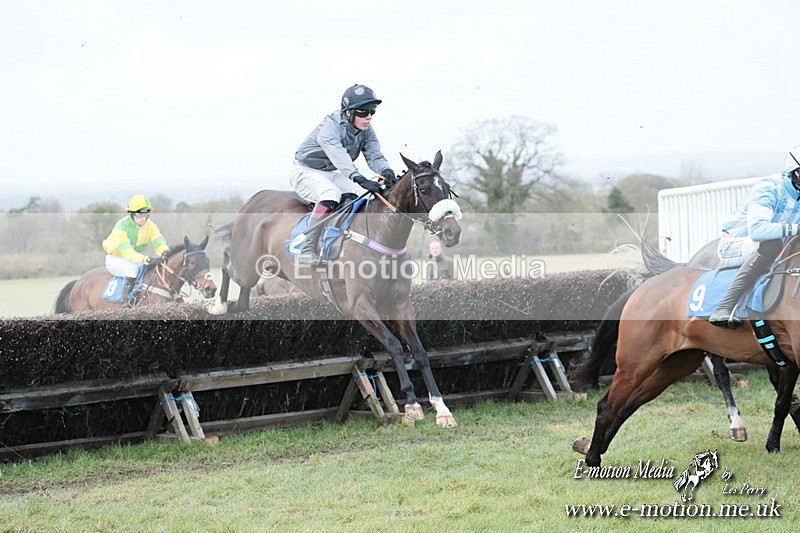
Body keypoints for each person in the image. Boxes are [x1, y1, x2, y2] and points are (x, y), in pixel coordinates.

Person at [291, 84, 397, 265]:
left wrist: (386, 171)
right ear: (349, 112)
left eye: (372, 111)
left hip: (331, 172)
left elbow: (374, 155)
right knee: (331, 194)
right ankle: (308, 249)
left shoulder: (367, 130)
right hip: (305, 170)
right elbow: (340, 157)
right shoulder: (329, 127)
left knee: (361, 195)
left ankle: (347, 243)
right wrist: (359, 178)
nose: (369, 116)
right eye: (364, 112)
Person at [708, 145, 800, 328]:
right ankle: (724, 307)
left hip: (779, 244)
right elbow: (758, 231)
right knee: (771, 243)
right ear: (795, 171)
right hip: (736, 244)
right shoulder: (769, 187)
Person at [101, 194, 171, 307]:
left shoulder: (150, 226)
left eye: (145, 214)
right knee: (132, 269)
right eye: (139, 214)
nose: (142, 218)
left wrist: (165, 254)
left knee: (149, 270)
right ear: (132, 214)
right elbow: (127, 252)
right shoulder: (121, 227)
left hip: (133, 258)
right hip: (115, 258)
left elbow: (159, 243)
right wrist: (146, 259)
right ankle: (126, 302)